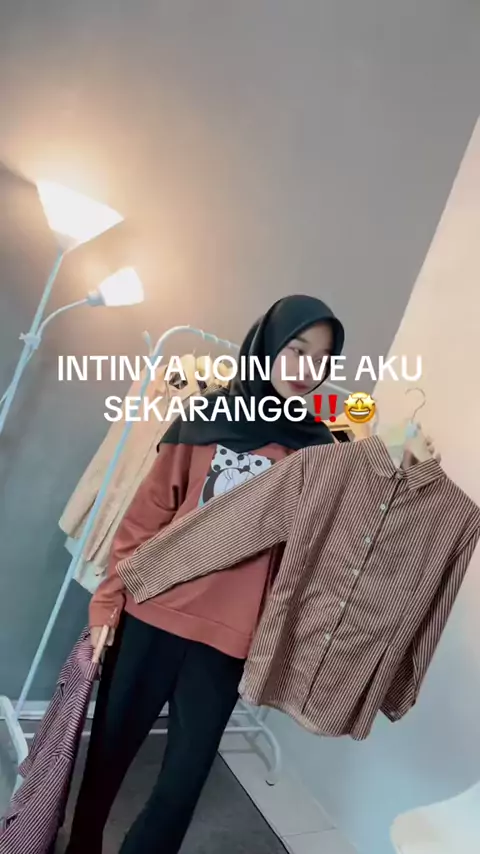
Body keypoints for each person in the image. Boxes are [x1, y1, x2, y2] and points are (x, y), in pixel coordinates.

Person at [65, 294, 345, 854]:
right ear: (267, 344)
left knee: (183, 782)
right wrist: (107, 601)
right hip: (151, 616)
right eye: (296, 349)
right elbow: (145, 517)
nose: (306, 368)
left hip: (228, 640)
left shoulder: (320, 451)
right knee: (107, 757)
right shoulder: (202, 418)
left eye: (321, 359)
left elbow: (306, 559)